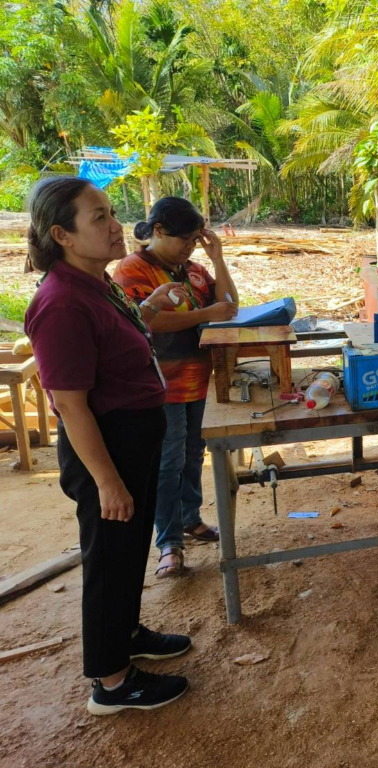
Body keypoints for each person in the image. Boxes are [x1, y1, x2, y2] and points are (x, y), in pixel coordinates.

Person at [24, 177, 194, 715]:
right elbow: (71, 405)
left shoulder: (96, 283)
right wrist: (107, 481)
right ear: (62, 235)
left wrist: (150, 308)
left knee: (128, 551)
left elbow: (117, 338)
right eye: (98, 217)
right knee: (109, 559)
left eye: (111, 213)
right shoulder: (60, 303)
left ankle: (127, 634)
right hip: (107, 449)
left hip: (132, 439)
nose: (117, 225)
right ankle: (113, 682)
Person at [113, 198, 238, 578]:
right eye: (184, 239)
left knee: (193, 454)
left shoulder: (194, 270)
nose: (190, 247)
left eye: (195, 240)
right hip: (161, 385)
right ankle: (169, 542)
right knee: (168, 463)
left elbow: (229, 305)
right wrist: (205, 314)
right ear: (158, 230)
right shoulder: (133, 269)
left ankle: (189, 518)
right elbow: (144, 322)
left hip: (198, 378)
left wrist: (217, 259)